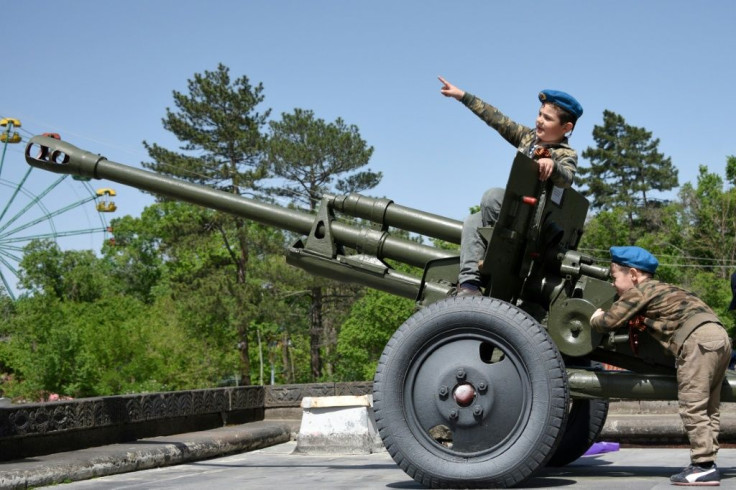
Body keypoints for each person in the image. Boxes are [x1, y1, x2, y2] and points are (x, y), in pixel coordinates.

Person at [590, 246, 731, 486]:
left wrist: (595, 318)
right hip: (720, 337)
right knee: (709, 407)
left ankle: (703, 466)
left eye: (615, 277)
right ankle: (707, 460)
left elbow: (610, 321)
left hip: (697, 342)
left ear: (633, 274)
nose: (613, 284)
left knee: (692, 405)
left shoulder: (639, 291)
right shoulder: (665, 288)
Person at [438, 76, 583, 296]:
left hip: (534, 226)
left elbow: (568, 177)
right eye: (539, 114)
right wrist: (462, 96)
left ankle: (494, 254)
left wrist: (553, 165)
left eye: (547, 118)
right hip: (514, 217)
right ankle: (469, 285)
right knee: (473, 221)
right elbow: (497, 119)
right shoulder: (528, 138)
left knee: (492, 196)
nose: (539, 121)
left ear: (566, 127)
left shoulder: (566, 154)